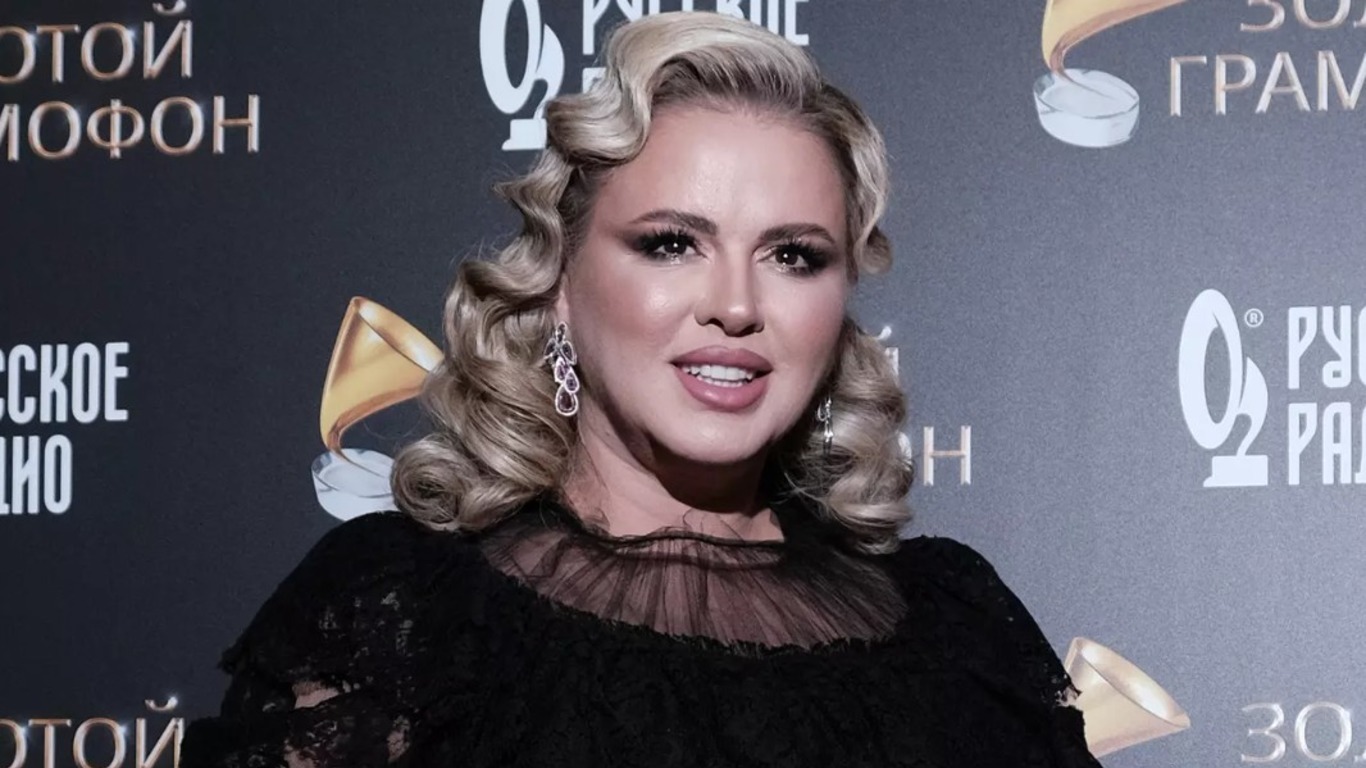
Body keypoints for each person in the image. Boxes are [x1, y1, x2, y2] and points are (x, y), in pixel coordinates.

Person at [181, 11, 1100, 768]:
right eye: (670, 243)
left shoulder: (955, 631)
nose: (736, 305)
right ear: (559, 284)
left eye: (793, 255)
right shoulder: (406, 615)